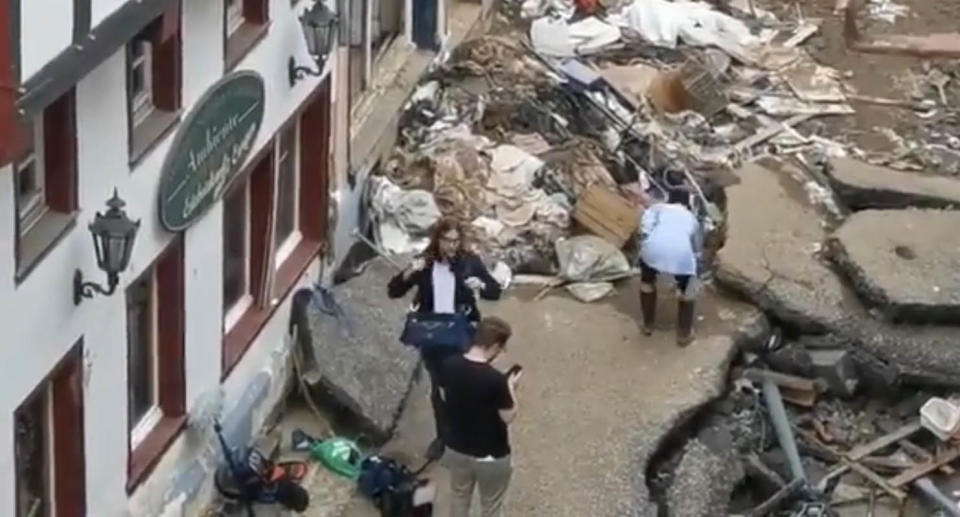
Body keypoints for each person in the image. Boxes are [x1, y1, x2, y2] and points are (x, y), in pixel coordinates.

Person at [387, 218, 502, 459]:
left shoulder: (469, 262)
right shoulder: (424, 262)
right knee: (439, 389)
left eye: (455, 241)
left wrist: (479, 284)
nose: (451, 246)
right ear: (437, 240)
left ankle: (469, 433)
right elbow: (394, 290)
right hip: (433, 335)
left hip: (462, 333)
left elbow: (495, 291)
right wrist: (409, 273)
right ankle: (443, 438)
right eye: (446, 240)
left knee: (464, 385)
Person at [439, 317, 519, 517]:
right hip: (490, 454)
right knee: (490, 506)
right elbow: (508, 416)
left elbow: (442, 395)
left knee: (459, 497)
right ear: (493, 346)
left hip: (456, 448)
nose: (501, 353)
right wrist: (510, 388)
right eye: (501, 348)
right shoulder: (496, 380)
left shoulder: (449, 365)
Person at [637, 188, 703, 346]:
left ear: (669, 200)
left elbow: (643, 230)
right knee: (689, 289)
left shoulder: (656, 209)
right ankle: (684, 334)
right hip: (681, 255)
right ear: (687, 203)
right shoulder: (692, 218)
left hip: (653, 249)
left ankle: (648, 325)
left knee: (647, 282)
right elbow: (697, 249)